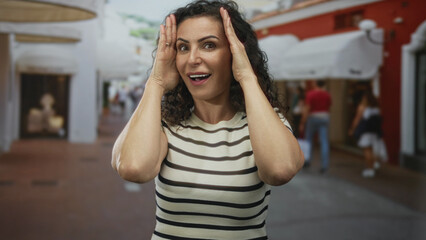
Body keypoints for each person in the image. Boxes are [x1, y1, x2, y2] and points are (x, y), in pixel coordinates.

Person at [111, 1, 304, 239]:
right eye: (183, 48)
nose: (192, 58)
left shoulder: (264, 123)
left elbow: (280, 170)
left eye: (209, 45)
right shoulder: (165, 124)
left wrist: (246, 75)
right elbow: (132, 168)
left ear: (235, 53)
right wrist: (156, 82)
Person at [348, 89, 383, 178]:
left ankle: (370, 169)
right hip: (374, 132)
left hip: (365, 132)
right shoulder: (376, 108)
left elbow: (357, 119)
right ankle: (374, 165)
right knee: (372, 150)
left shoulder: (362, 107)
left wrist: (352, 129)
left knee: (367, 150)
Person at [299, 80, 332, 173]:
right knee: (324, 141)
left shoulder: (311, 94)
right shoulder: (327, 94)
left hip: (313, 117)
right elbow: (329, 106)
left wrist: (302, 122)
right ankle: (324, 165)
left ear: (315, 84)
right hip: (325, 116)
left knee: (308, 139)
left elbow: (307, 108)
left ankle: (307, 160)